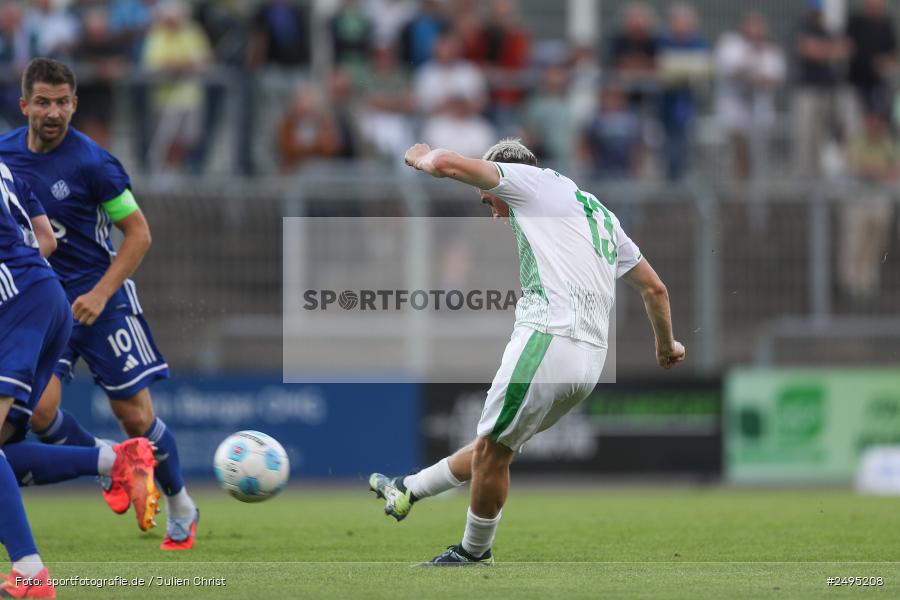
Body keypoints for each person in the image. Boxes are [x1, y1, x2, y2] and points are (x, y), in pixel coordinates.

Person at [369, 138, 685, 565]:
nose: (492, 209)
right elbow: (655, 288)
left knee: (492, 451)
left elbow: (445, 163)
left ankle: (473, 553)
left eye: (489, 200)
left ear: (506, 174)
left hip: (548, 338)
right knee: (495, 447)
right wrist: (666, 345)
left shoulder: (528, 181)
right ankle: (410, 488)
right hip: (589, 363)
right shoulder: (597, 212)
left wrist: (420, 156)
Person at [0, 58, 199, 551]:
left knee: (134, 415)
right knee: (38, 412)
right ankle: (111, 464)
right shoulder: (5, 158)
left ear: (75, 104)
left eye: (63, 102)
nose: (53, 112)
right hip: (43, 305)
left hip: (101, 299)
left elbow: (138, 234)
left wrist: (101, 292)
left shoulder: (93, 163)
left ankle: (181, 505)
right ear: (24, 104)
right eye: (43, 102)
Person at [0, 155, 160, 597]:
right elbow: (46, 239)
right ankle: (115, 460)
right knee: (5, 449)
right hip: (46, 295)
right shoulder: (6, 168)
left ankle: (30, 575)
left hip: (12, 306)